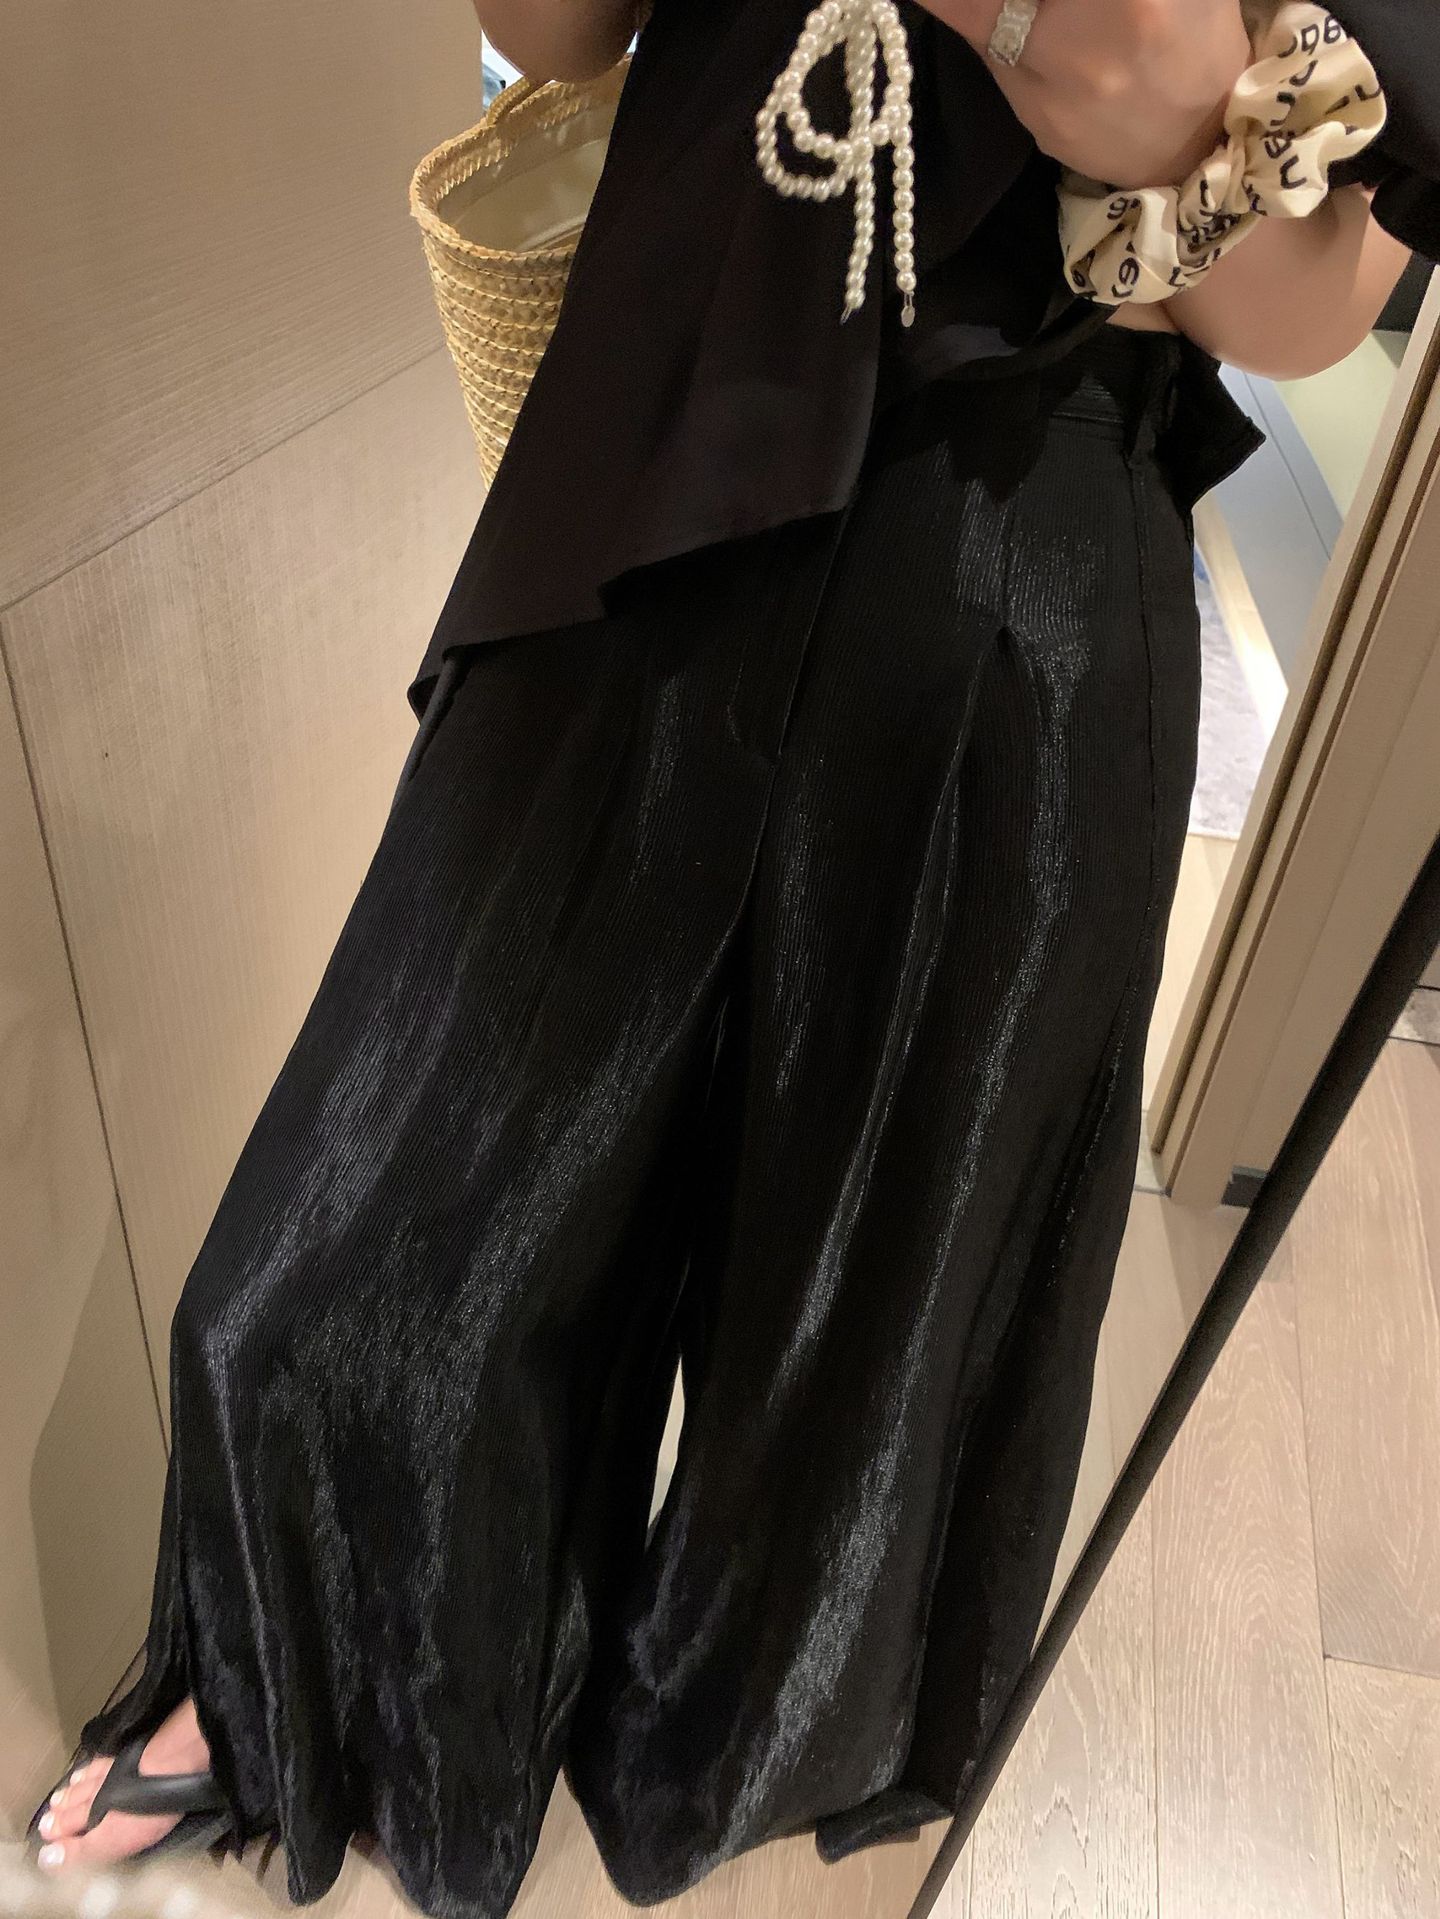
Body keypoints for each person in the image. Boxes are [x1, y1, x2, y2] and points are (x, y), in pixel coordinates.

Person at [28, 3, 1436, 1916]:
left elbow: (1316, 302)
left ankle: (710, 1768)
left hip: (1019, 537)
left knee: (867, 1306)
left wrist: (1159, 115)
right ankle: (306, 1701)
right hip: (665, 443)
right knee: (391, 1198)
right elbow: (548, 36)